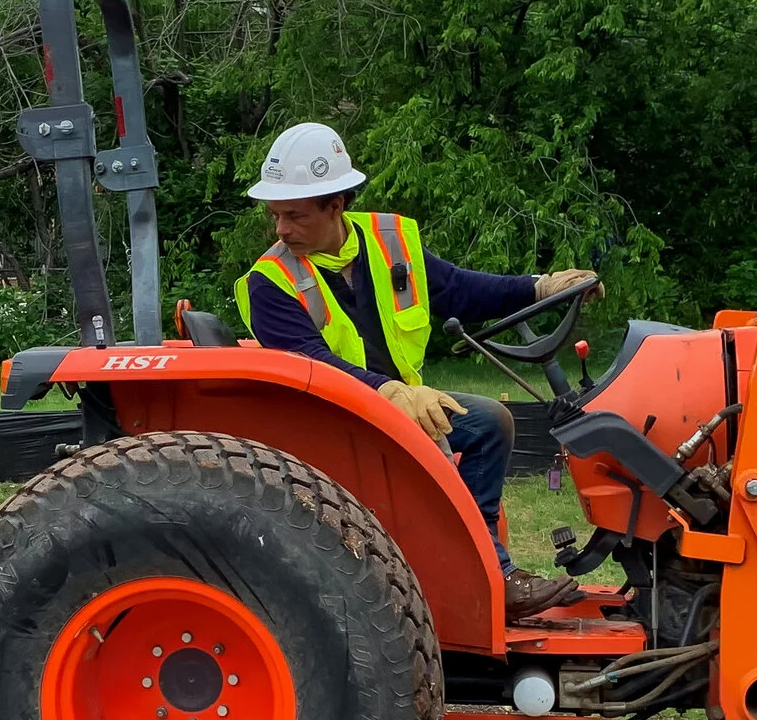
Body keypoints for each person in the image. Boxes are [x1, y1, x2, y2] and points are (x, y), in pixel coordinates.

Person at [234, 123, 600, 622]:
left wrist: (540, 288)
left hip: (396, 407)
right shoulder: (269, 282)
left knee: (490, 421)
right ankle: (480, 579)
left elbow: (462, 289)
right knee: (445, 436)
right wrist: (386, 391)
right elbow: (308, 362)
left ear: (336, 205)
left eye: (294, 215)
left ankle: (482, 567)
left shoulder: (391, 243)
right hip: (327, 419)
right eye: (275, 215)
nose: (281, 229)